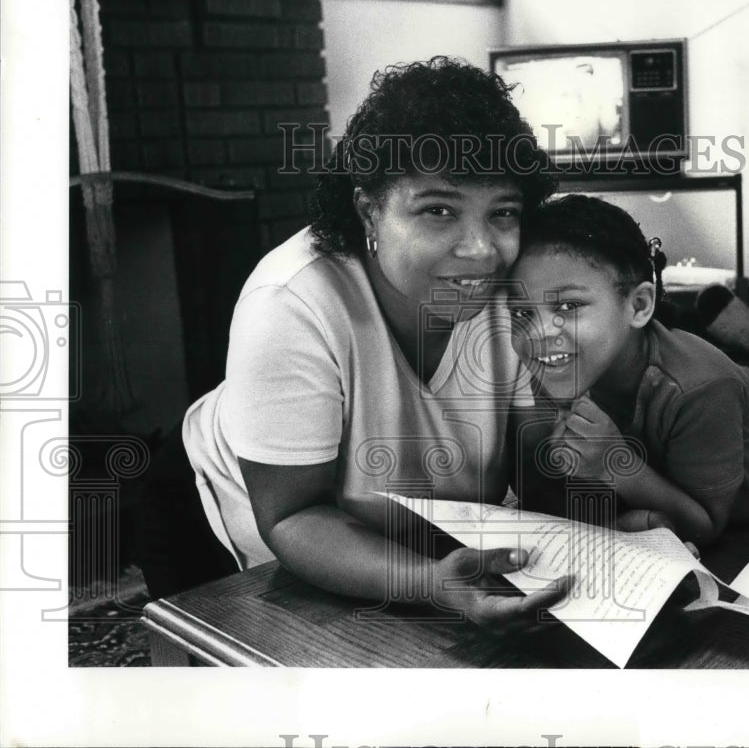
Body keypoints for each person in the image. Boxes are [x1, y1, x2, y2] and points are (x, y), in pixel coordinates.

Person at [181, 57, 571, 630]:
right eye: (438, 210)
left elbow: (536, 464)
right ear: (369, 209)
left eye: (503, 213)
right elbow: (292, 516)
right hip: (250, 515)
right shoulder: (291, 302)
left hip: (411, 530)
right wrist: (428, 583)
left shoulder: (511, 289)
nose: (481, 249)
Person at [507, 195, 749, 544]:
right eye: (522, 312)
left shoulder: (699, 386)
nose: (539, 333)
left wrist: (616, 464)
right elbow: (553, 490)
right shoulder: (560, 363)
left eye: (568, 306)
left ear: (639, 306)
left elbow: (704, 525)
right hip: (745, 486)